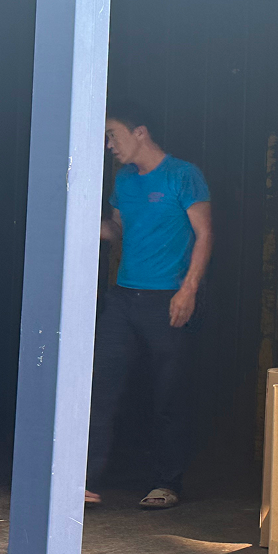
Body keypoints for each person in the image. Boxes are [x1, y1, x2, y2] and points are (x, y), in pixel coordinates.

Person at [85, 113, 213, 509]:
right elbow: (117, 231)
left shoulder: (183, 175)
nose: (109, 145)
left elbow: (204, 233)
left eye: (113, 135)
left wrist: (188, 289)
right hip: (124, 298)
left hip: (168, 298)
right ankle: (83, 481)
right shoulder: (124, 181)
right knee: (98, 387)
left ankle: (166, 483)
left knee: (168, 393)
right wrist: (75, 217)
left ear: (140, 132)